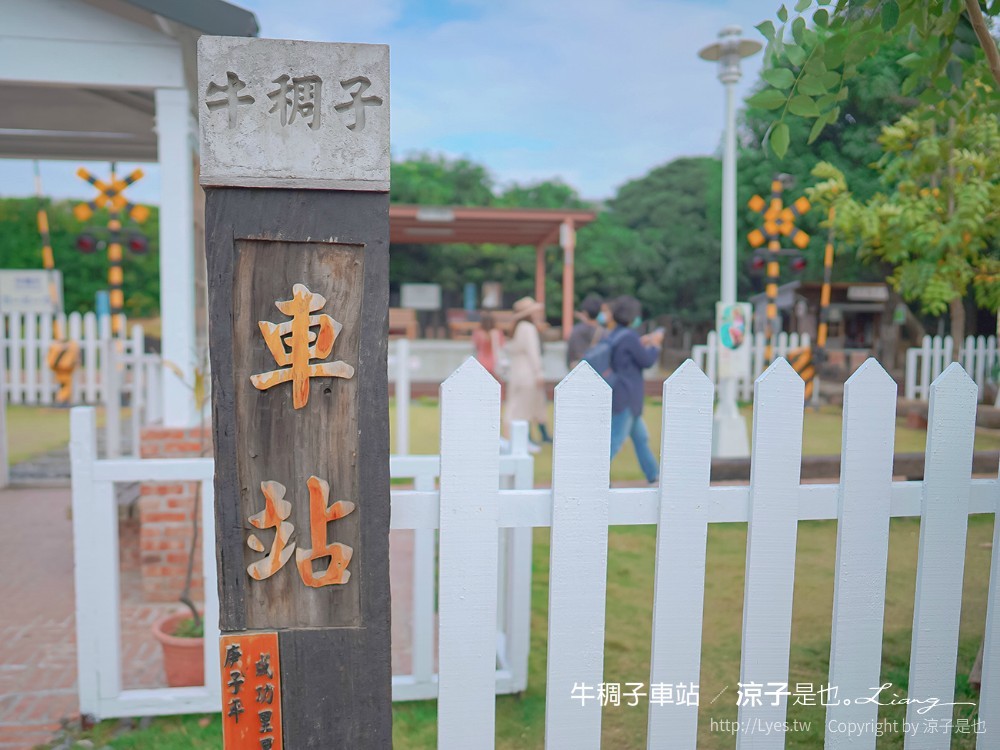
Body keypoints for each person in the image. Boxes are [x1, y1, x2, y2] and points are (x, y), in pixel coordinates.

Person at [607, 295, 663, 483]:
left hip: (621, 393)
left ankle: (653, 474)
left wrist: (642, 342)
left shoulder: (616, 334)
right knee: (615, 441)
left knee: (641, 438)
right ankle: (593, 475)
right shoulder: (629, 336)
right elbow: (646, 360)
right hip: (628, 396)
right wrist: (655, 345)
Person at [504, 296, 551, 447]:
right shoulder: (528, 328)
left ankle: (522, 438)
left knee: (517, 406)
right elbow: (533, 352)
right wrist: (538, 372)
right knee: (525, 408)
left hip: (516, 372)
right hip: (528, 372)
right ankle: (524, 440)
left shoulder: (516, 328)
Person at [566, 293, 605, 370]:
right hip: (599, 372)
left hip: (579, 370)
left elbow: (570, 356)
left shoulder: (576, 330)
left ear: (585, 312)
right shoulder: (605, 332)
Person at [472, 311, 506, 379]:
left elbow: (476, 346)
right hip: (494, 361)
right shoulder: (498, 332)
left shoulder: (478, 332)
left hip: (481, 360)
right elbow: (501, 345)